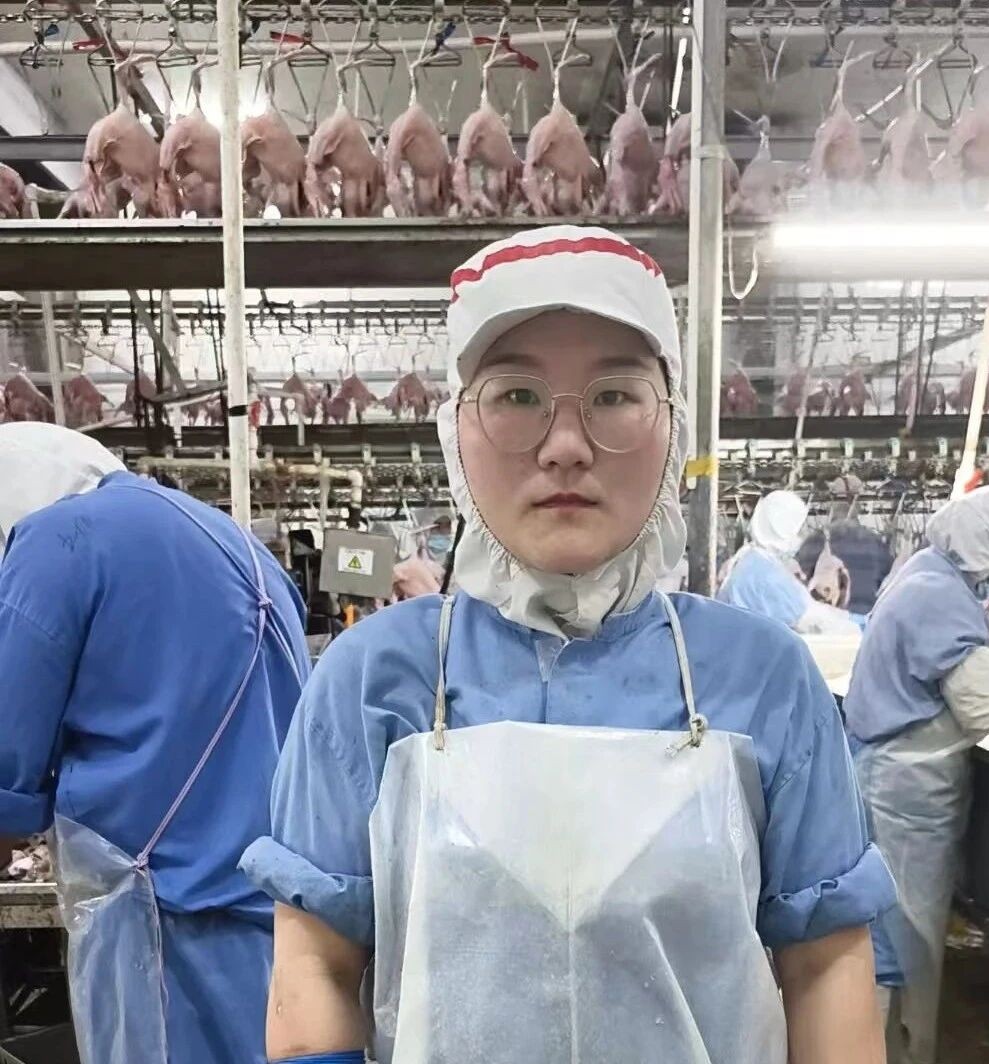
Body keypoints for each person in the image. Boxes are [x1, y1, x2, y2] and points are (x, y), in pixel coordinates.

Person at [243, 225, 896, 1064]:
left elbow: (824, 967)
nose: (564, 446)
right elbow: (316, 969)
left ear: (673, 428)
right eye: (516, 395)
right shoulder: (373, 679)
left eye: (615, 396)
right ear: (455, 431)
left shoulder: (763, 679)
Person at [0, 422, 310, 1064]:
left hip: (158, 916)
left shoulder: (55, 540)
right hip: (277, 910)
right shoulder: (239, 542)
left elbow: (7, 761)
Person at [844, 485, 989, 1064]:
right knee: (902, 932)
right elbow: (985, 710)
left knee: (885, 926)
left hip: (888, 775)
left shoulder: (926, 572)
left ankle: (886, 1044)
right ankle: (891, 1050)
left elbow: (963, 676)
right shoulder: (942, 599)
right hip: (908, 790)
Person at [718, 488, 864, 633]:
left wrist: (852, 618)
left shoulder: (752, 560)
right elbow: (812, 621)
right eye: (799, 528)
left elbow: (808, 608)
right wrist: (860, 626)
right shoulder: (764, 574)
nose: (801, 534)